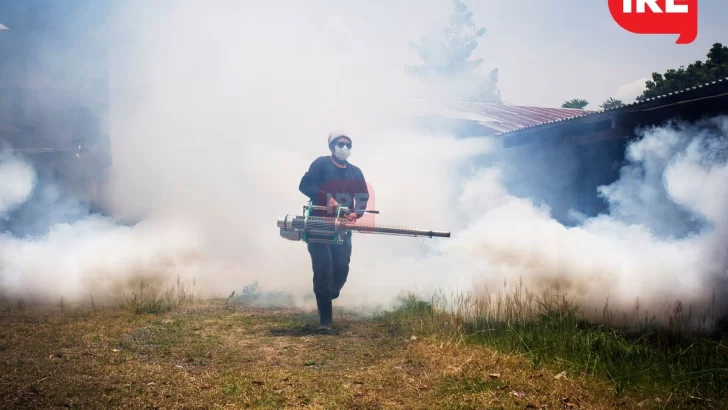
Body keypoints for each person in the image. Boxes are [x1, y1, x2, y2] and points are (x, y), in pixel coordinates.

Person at [299, 131, 369, 332]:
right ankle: (325, 322)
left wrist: (357, 213)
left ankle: (329, 294)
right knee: (323, 270)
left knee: (341, 267)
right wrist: (326, 198)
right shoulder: (321, 164)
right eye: (341, 144)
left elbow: (362, 197)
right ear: (332, 146)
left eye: (348, 145)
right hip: (319, 224)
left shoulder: (355, 172)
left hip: (343, 227)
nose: (345, 148)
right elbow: (304, 184)